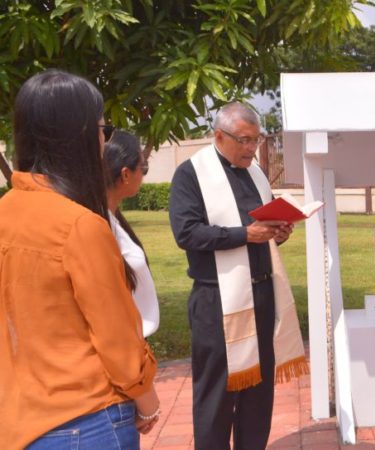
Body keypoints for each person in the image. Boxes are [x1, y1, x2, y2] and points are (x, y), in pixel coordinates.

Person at [0, 69, 159, 449]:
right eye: (102, 131)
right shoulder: (79, 225)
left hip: (20, 421)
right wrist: (148, 402)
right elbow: (119, 340)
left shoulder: (6, 211)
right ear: (81, 138)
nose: (104, 143)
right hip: (86, 419)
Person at [169, 102, 309, 450]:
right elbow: (187, 233)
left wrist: (278, 231)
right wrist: (245, 235)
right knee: (217, 394)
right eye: (244, 140)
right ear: (219, 135)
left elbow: (262, 222)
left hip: (261, 294)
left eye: (256, 140)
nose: (251, 149)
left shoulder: (256, 172)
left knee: (258, 393)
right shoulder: (192, 174)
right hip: (217, 300)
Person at [105, 130, 159, 337]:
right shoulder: (98, 226)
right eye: (143, 167)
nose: (143, 175)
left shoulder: (113, 218)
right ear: (126, 174)